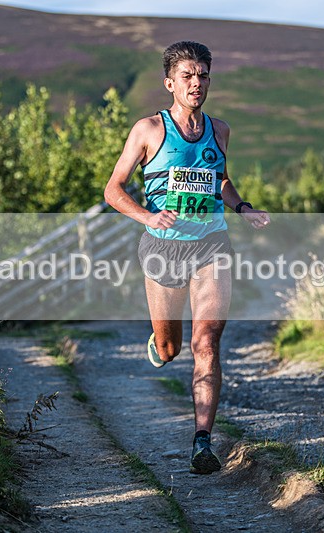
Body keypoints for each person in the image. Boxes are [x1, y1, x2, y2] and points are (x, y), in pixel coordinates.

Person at [104, 41, 270, 474]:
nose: (197, 84)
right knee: (172, 346)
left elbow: (221, 178)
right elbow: (113, 189)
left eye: (204, 76)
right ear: (169, 83)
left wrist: (242, 208)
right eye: (188, 77)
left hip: (211, 243)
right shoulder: (148, 130)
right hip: (162, 248)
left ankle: (202, 442)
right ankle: (159, 344)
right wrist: (147, 216)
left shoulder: (220, 130)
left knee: (206, 342)